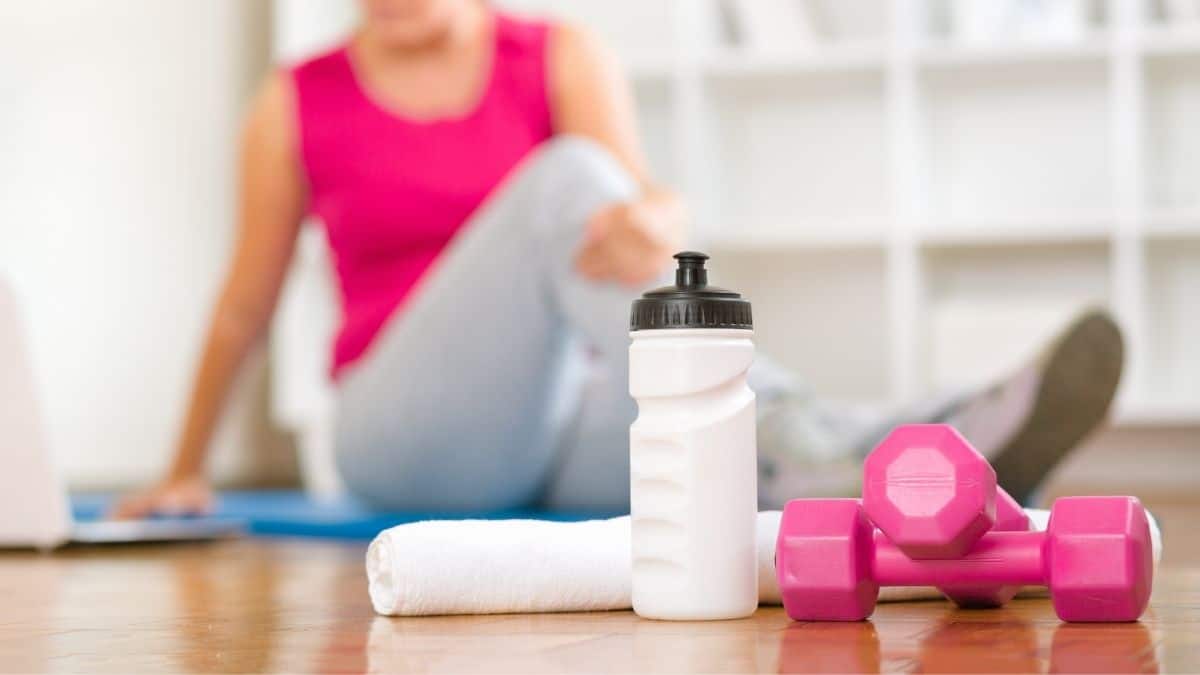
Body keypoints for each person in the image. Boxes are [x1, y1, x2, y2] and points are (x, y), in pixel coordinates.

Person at [114, 0, 1124, 518]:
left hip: (554, 416)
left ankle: (932, 451)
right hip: (400, 433)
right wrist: (182, 470)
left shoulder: (556, 54)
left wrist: (655, 221)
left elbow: (646, 221)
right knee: (565, 180)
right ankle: (801, 424)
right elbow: (243, 307)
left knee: (727, 456)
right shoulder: (293, 101)